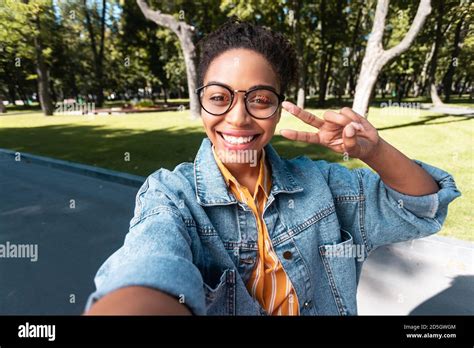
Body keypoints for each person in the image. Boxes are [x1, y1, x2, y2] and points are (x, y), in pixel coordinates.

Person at [84, 18, 461, 316]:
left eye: (260, 100)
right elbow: (150, 266)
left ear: (278, 110)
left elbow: (420, 205)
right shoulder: (172, 195)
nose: (238, 117)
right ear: (201, 103)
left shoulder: (322, 184)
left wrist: (374, 151)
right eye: (219, 97)